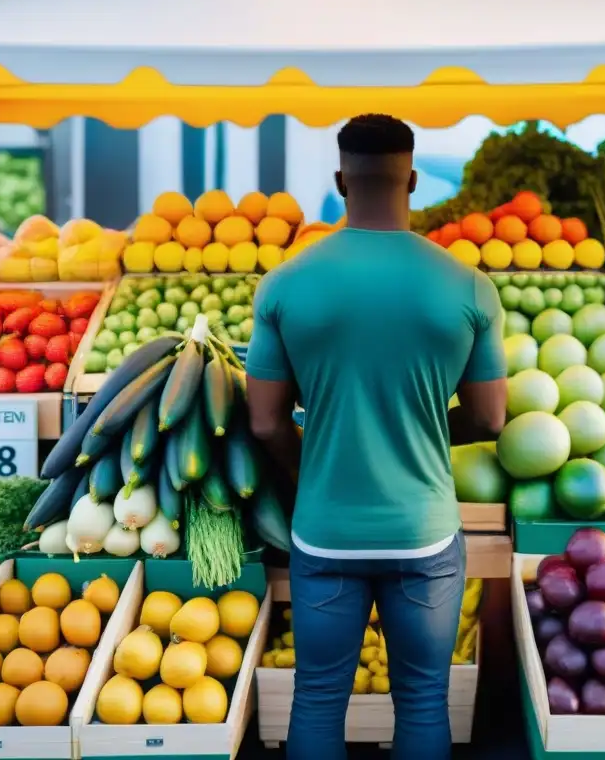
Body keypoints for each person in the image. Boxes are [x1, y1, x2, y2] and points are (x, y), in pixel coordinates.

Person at [244, 114, 507, 760]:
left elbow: (265, 422)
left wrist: (313, 467)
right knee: (422, 699)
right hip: (424, 532)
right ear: (412, 180)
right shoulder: (470, 287)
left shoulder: (283, 286)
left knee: (317, 698)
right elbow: (489, 420)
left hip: (326, 527)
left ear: (340, 180)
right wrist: (418, 433)